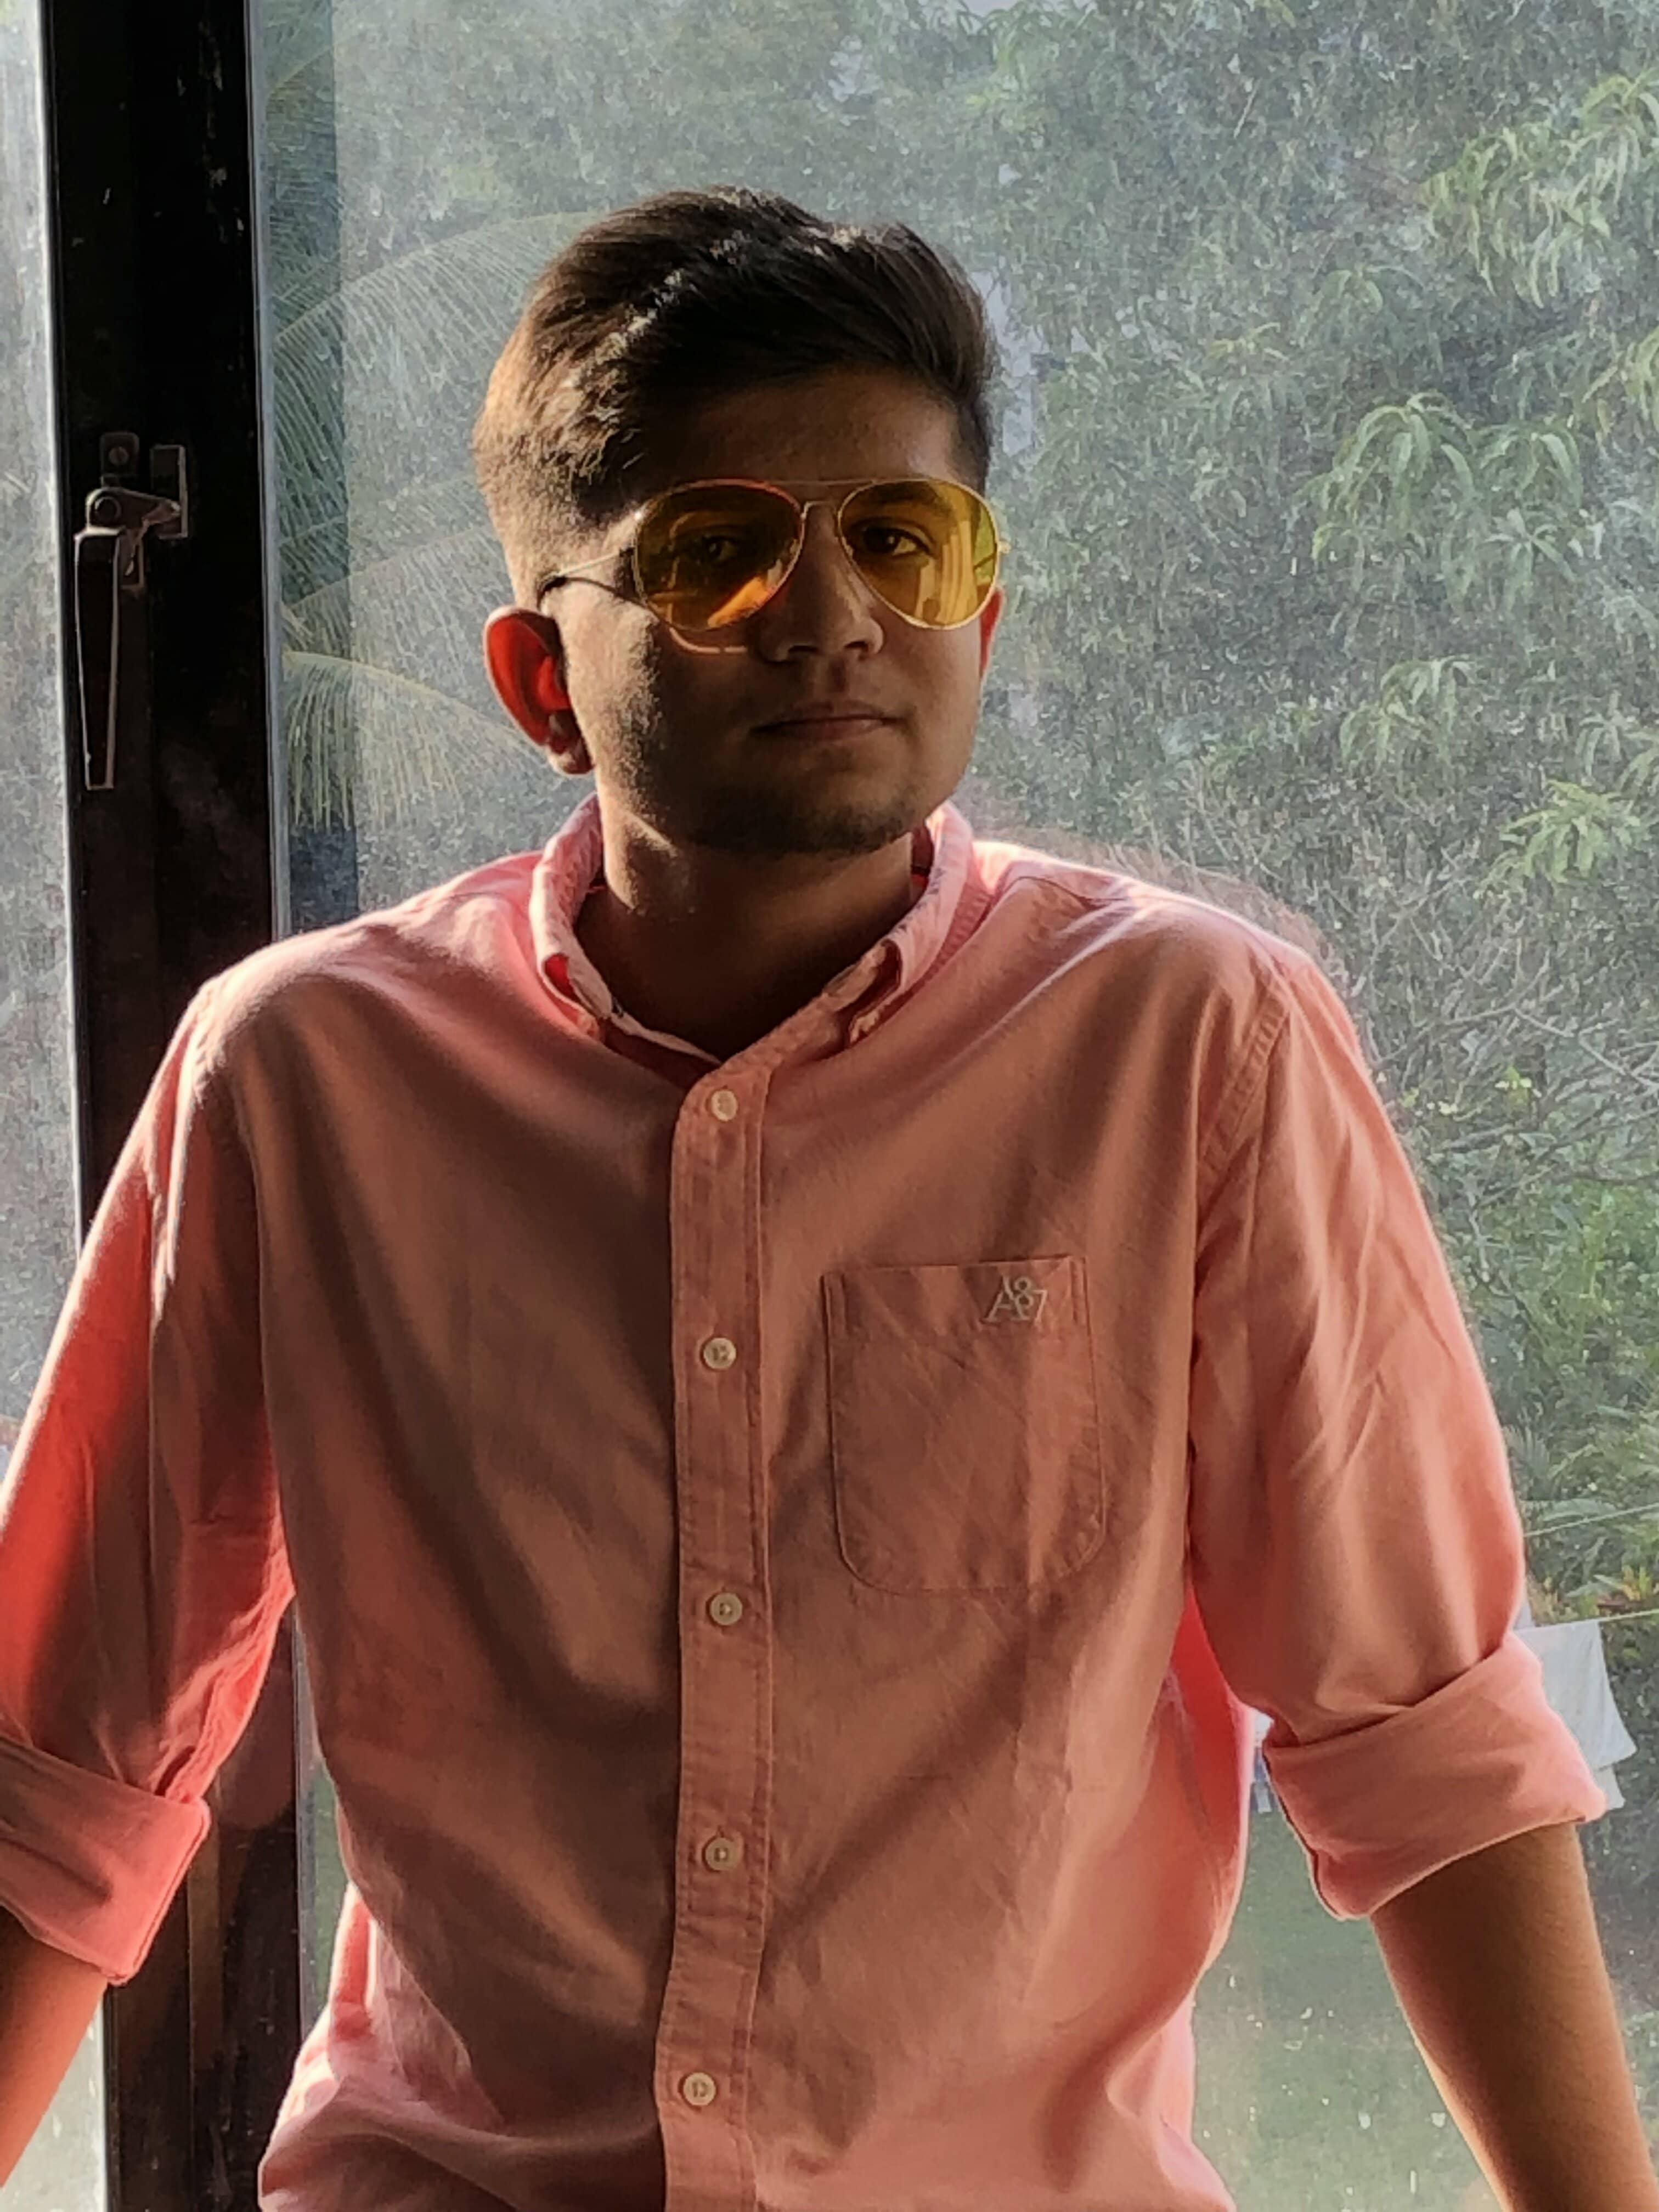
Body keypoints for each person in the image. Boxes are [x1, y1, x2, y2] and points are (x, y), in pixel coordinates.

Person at [0, 185, 1652, 2212]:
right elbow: (65, 1771)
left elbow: (1425, 1739)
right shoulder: (298, 1078)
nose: (830, 614)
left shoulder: (1192, 1045)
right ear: (539, 677)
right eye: (717, 552)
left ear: (980, 616)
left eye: (900, 537)